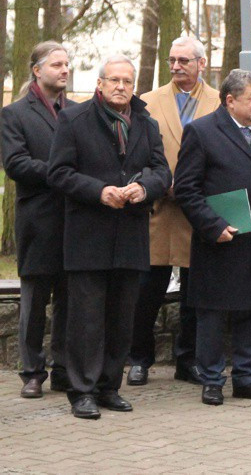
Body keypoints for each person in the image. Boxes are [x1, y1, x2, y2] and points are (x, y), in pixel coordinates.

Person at [48, 55, 171, 419]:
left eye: (127, 81)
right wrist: (99, 191)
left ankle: (108, 387)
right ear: (99, 84)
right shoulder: (74, 120)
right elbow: (58, 173)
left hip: (131, 234)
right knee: (86, 320)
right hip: (88, 234)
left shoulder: (146, 123)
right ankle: (82, 391)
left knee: (121, 318)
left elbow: (162, 171)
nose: (120, 86)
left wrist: (144, 188)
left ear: (134, 86)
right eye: (114, 80)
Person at [174, 70, 251, 406]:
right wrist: (213, 225)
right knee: (213, 314)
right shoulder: (201, 132)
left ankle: (246, 378)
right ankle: (212, 380)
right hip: (219, 242)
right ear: (230, 100)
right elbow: (186, 189)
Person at [127, 36, 219, 387]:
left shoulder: (219, 102)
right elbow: (135, 153)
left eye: (184, 60)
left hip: (199, 212)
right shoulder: (148, 101)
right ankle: (139, 359)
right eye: (172, 60)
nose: (176, 66)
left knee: (196, 295)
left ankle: (188, 360)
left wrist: (193, 188)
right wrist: (157, 183)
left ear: (201, 64)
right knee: (145, 293)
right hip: (159, 210)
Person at [1, 41, 73, 399]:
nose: (64, 70)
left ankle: (63, 369)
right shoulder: (14, 114)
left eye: (67, 64)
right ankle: (31, 372)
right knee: (34, 302)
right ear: (37, 70)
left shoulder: (78, 112)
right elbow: (16, 164)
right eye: (57, 64)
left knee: (69, 300)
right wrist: (62, 174)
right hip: (38, 222)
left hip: (75, 221)